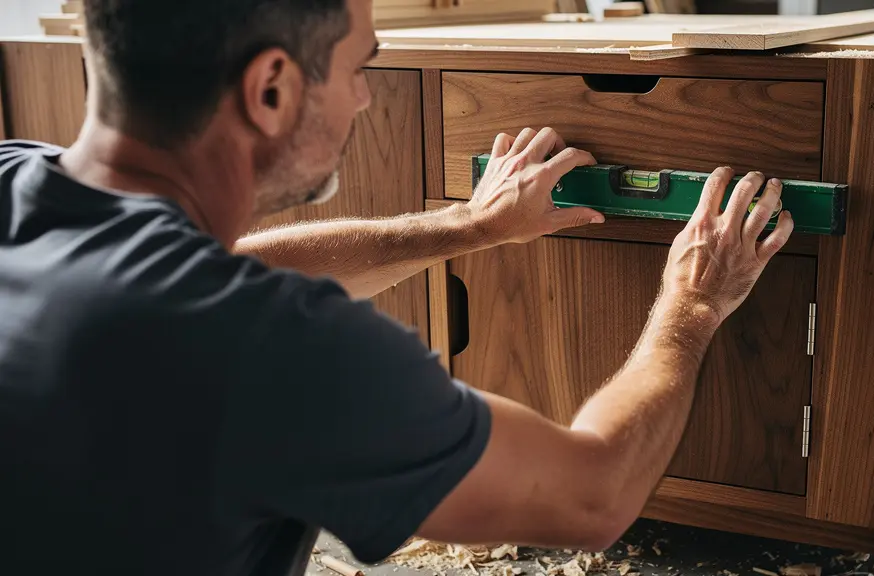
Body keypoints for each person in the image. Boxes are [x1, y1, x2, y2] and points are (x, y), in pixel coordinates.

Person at [0, 0, 793, 575]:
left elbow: (209, 275)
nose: (365, 97)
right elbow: (593, 496)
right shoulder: (271, 349)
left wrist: (465, 227)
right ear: (270, 87)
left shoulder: (18, 183)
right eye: (360, 67)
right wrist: (691, 304)